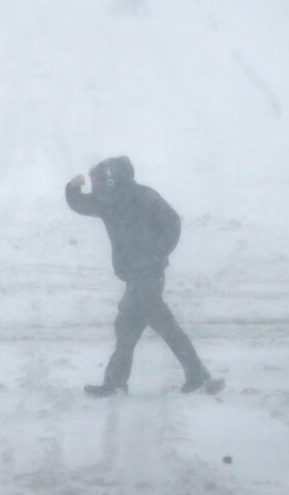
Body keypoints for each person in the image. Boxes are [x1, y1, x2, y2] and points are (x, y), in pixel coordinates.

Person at [66, 156, 218, 396]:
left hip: (148, 275)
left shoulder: (144, 197)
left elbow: (172, 223)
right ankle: (118, 381)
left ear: (110, 180)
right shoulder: (109, 200)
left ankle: (193, 373)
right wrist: (73, 189)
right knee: (129, 328)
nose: (94, 185)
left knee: (153, 327)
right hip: (136, 276)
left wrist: (157, 254)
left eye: (97, 180)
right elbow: (81, 205)